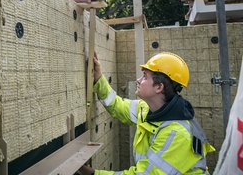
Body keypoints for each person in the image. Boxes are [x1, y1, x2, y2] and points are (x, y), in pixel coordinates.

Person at [78, 52, 215, 175]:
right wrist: (99, 79)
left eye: (144, 76)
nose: (138, 80)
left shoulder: (176, 134)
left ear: (159, 87)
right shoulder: (147, 109)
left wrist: (93, 174)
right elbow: (117, 105)